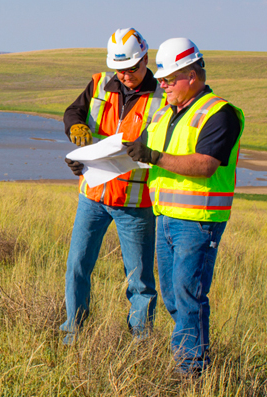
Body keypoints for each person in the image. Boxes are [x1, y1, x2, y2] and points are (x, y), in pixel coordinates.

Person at [124, 38, 244, 374]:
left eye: (168, 79)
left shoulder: (219, 114)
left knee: (189, 296)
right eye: (161, 79)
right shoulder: (165, 113)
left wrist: (155, 157)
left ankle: (191, 370)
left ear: (192, 75)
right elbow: (141, 148)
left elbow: (206, 164)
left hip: (198, 220)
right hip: (165, 217)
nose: (161, 84)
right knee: (174, 298)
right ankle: (190, 359)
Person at [61, 28, 166, 344]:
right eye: (120, 69)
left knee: (139, 280)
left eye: (132, 68)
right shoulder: (98, 84)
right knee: (77, 267)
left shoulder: (162, 96)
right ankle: (73, 334)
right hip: (92, 196)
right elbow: (73, 113)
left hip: (135, 202)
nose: (126, 75)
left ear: (146, 59)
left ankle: (140, 344)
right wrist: (75, 136)